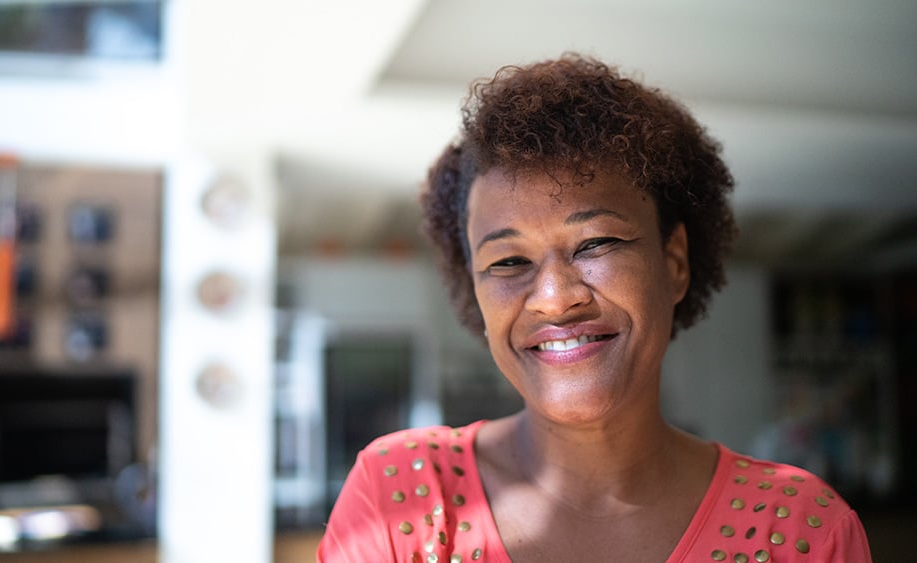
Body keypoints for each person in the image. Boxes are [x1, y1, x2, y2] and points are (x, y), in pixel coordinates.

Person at [317, 53, 872, 562]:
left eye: (596, 244)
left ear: (674, 261)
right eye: (509, 262)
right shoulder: (400, 499)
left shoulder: (803, 530)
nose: (556, 297)